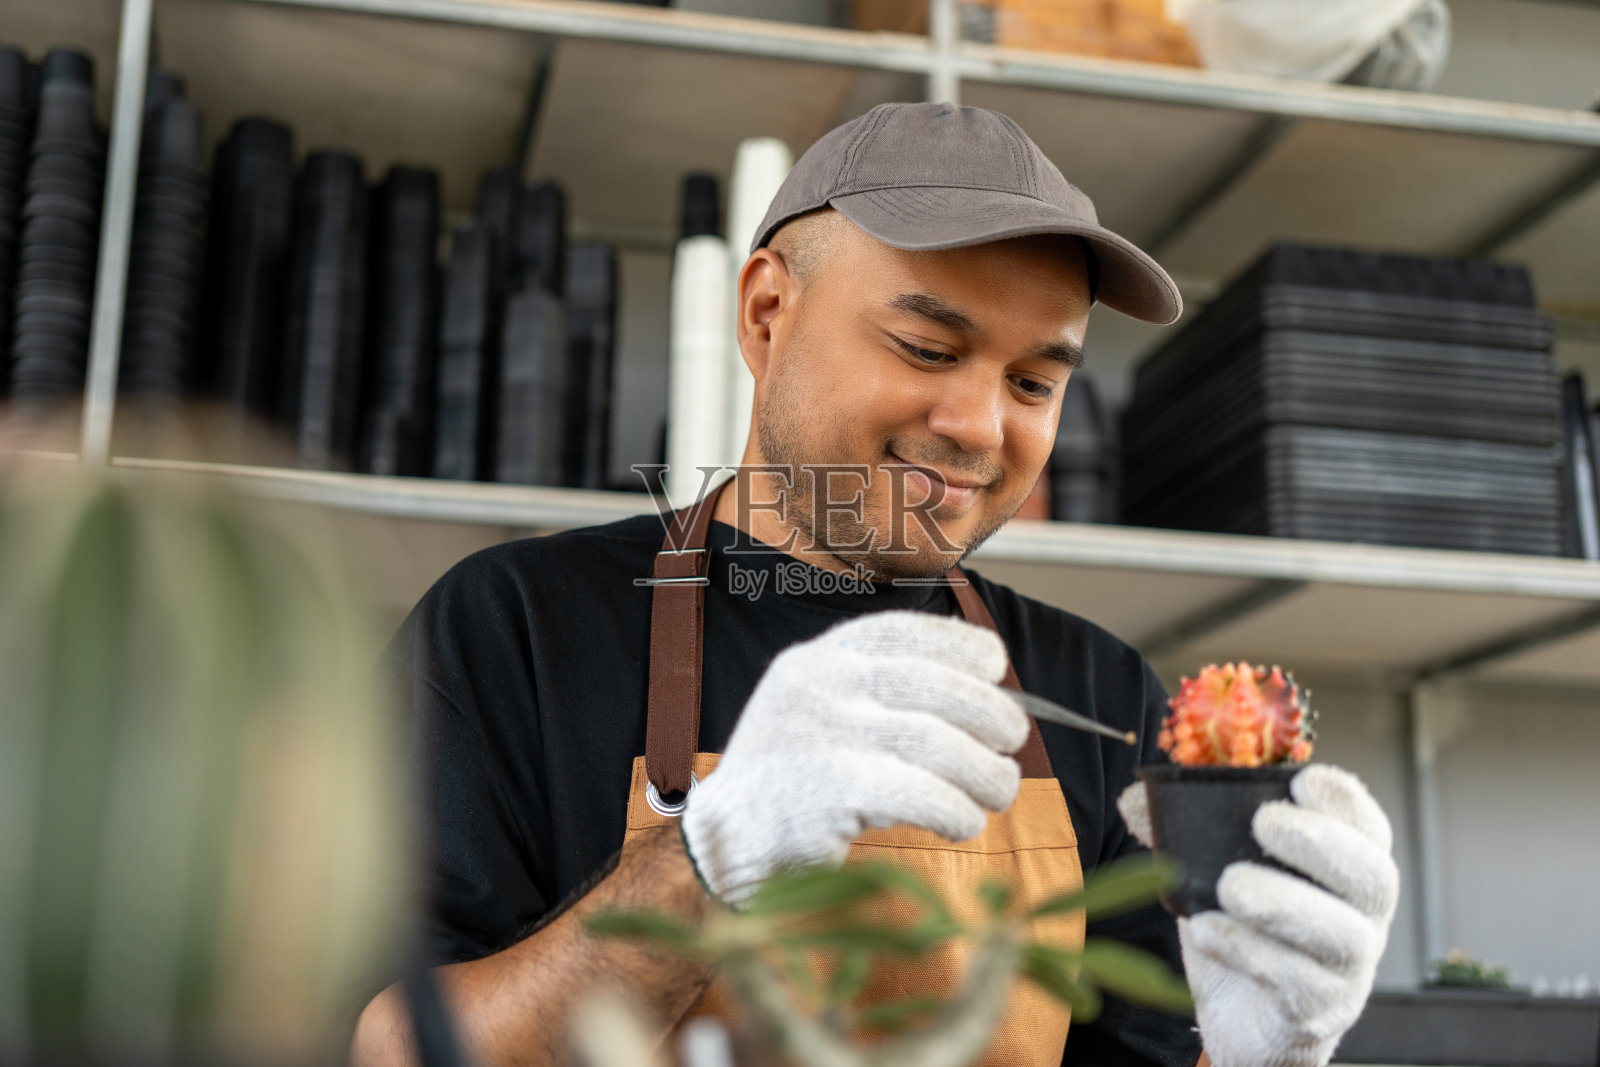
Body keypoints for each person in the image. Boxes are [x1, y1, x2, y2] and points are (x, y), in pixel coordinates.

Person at [351, 103, 1399, 1067]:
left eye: (1034, 381)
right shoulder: (519, 628)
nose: (983, 427)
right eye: (928, 345)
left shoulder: (1101, 696)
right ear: (766, 312)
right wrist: (703, 862)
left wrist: (1264, 1051)